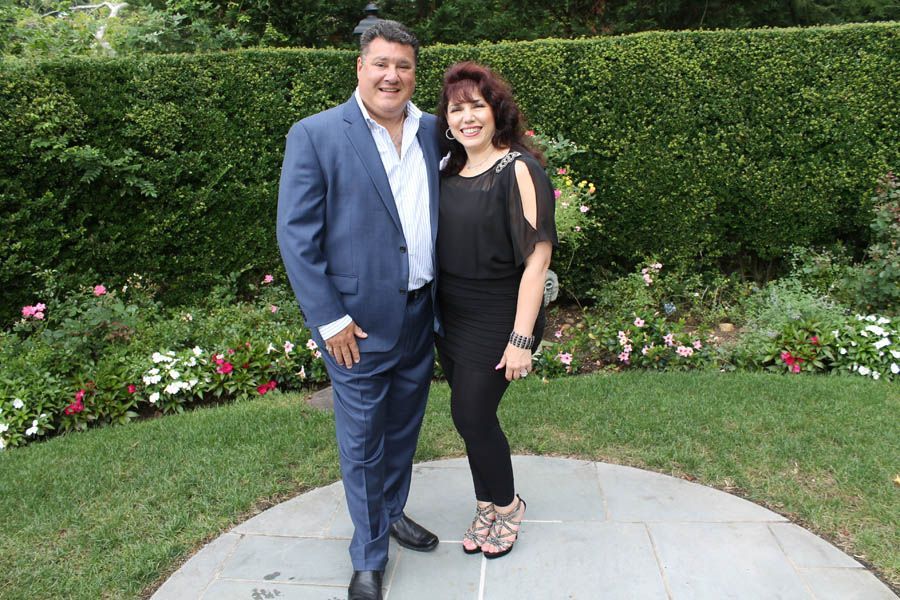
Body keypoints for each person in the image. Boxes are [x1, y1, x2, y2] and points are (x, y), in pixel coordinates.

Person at [276, 20, 442, 600]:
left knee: (402, 429)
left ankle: (391, 513)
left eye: (403, 66)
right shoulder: (317, 134)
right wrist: (329, 319)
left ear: (414, 73)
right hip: (355, 325)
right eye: (381, 63)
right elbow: (297, 236)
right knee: (364, 438)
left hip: (422, 313)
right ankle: (368, 555)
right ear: (360, 67)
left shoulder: (434, 132)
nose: (392, 76)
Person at [435, 62, 557, 559]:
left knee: (473, 412)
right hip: (452, 317)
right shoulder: (447, 169)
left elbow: (538, 258)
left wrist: (521, 338)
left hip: (501, 314)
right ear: (446, 118)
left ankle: (508, 507)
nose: (467, 117)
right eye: (457, 108)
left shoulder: (519, 169)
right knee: (468, 418)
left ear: (495, 112)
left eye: (476, 106)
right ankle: (485, 505)